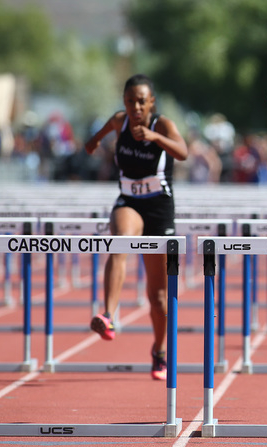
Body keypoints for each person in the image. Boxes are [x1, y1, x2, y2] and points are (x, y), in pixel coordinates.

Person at [84, 74, 188, 379]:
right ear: (124, 102)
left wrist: (156, 139)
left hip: (158, 208)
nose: (135, 107)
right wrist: (93, 143)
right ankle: (109, 315)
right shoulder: (119, 121)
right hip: (129, 201)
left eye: (141, 101)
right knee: (120, 241)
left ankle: (159, 351)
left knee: (158, 296)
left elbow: (182, 152)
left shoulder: (163, 125)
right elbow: (93, 141)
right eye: (130, 101)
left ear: (151, 102)